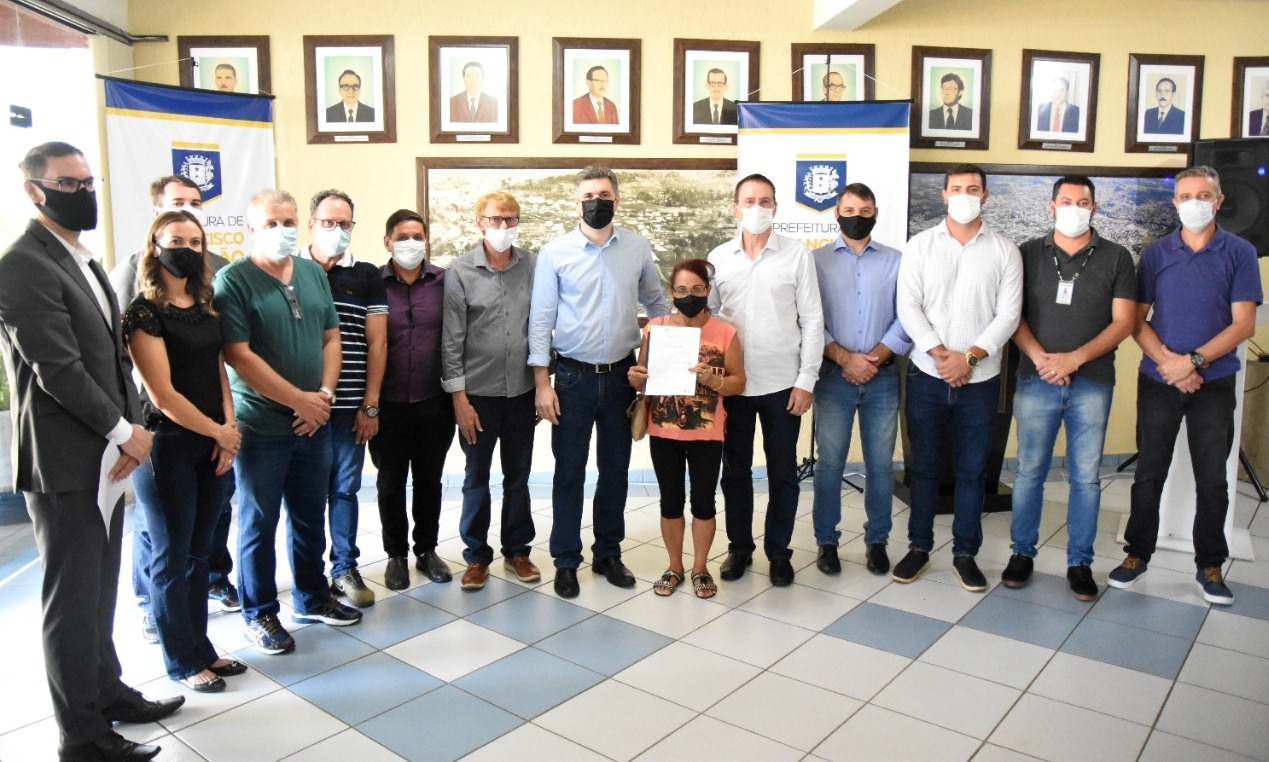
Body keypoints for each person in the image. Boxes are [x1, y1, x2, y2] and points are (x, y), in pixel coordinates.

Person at [0, 141, 179, 762]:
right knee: (71, 601)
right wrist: (123, 431)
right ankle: (80, 735)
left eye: (88, 182)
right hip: (66, 460)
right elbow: (58, 368)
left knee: (100, 590)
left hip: (108, 451)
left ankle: (108, 692)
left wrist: (134, 422)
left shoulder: (83, 259)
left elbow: (111, 356)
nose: (84, 193)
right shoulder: (23, 263)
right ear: (34, 190)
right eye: (69, 185)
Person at [214, 189, 361, 656]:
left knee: (309, 515)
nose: (283, 230)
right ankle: (258, 613)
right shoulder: (233, 281)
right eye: (271, 223)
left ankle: (312, 597)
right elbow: (238, 354)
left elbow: (331, 336)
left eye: (289, 221)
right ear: (252, 230)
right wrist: (298, 399)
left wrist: (323, 396)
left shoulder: (314, 273)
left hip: (313, 421)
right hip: (263, 426)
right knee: (258, 522)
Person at [1109, 166, 1262, 605]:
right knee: (1149, 473)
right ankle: (1137, 555)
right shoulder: (1155, 253)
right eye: (1185, 196)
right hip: (1158, 379)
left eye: (1203, 195)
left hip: (1213, 382)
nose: (1194, 202)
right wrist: (1171, 365)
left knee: (1212, 478)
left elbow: (1244, 324)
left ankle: (1210, 564)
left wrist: (1194, 362)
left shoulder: (1240, 252)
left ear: (1219, 200)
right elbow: (1136, 320)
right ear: (1175, 203)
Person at [110, 174, 239, 647]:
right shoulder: (144, 311)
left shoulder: (205, 306)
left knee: (200, 555)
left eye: (195, 241)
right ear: (155, 245)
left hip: (213, 440)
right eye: (175, 241)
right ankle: (181, 659)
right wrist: (217, 433)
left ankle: (203, 649)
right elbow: (161, 394)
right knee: (171, 556)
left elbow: (219, 370)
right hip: (169, 445)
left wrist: (229, 427)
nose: (185, 248)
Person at [529, 166, 669, 598]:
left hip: (621, 378)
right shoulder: (555, 253)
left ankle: (608, 552)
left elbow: (657, 303)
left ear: (617, 200)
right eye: (589, 195)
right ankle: (566, 560)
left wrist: (670, 351)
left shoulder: (636, 247)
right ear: (576, 203)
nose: (597, 201)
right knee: (569, 472)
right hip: (570, 378)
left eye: (604, 194)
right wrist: (542, 384)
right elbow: (541, 320)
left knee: (616, 472)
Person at [1004, 176, 1137, 601]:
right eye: (1066, 201)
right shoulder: (1027, 253)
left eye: (1083, 202)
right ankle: (1021, 553)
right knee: (1028, 474)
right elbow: (1012, 314)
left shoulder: (1118, 257)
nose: (1074, 208)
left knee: (1086, 478)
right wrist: (1044, 359)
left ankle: (1080, 562)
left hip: (1092, 384)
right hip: (1035, 377)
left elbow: (1123, 323)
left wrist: (1073, 359)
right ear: (1051, 206)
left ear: (1094, 208)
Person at [894, 163, 1022, 592]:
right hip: (928, 374)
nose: (965, 195)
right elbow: (908, 306)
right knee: (925, 469)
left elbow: (1009, 315)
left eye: (973, 188)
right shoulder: (920, 245)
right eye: (956, 188)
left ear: (985, 196)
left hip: (980, 380)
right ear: (944, 195)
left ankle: (965, 553)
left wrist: (968, 358)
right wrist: (940, 353)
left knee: (972, 473)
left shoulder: (1005, 250)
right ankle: (918, 547)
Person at [708, 174, 824, 587]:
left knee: (782, 473)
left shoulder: (797, 256)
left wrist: (806, 379)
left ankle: (779, 551)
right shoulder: (718, 258)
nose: (757, 208)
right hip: (734, 387)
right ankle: (740, 549)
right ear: (735, 207)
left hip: (782, 384)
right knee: (735, 472)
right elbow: (709, 321)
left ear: (775, 207)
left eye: (766, 201)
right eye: (749, 200)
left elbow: (812, 320)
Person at [628, 259, 745, 599]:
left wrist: (713, 378)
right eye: (681, 290)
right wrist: (635, 376)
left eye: (697, 289)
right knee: (670, 501)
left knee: (704, 503)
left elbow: (738, 382)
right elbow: (643, 374)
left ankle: (701, 568)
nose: (689, 296)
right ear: (671, 292)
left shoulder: (725, 332)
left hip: (707, 434)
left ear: (708, 291)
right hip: (663, 430)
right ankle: (675, 566)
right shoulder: (656, 328)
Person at [442, 192, 540, 590]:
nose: (503, 227)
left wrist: (541, 384)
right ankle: (476, 557)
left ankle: (518, 551)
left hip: (521, 391)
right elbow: (451, 341)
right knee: (476, 477)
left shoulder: (534, 265)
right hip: (477, 395)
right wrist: (459, 400)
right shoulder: (460, 271)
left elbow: (543, 323)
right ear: (480, 222)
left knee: (518, 475)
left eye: (510, 219)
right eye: (495, 219)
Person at [811, 183, 910, 577]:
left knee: (881, 465)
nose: (856, 216)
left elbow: (908, 316)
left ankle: (877, 541)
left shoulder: (897, 261)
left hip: (882, 377)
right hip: (833, 376)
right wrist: (844, 357)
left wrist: (875, 357)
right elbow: (808, 319)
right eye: (848, 209)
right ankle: (827, 542)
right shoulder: (815, 262)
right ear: (836, 214)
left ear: (875, 213)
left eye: (864, 210)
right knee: (830, 464)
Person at [300, 190, 386, 608]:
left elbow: (377, 342)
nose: (337, 230)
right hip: (300, 411)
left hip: (350, 407)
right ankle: (308, 576)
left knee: (345, 490)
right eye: (328, 222)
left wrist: (370, 404)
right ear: (311, 223)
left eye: (345, 223)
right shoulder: (288, 270)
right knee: (305, 496)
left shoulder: (366, 274)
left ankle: (344, 569)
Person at [371, 210, 457, 590]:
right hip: (386, 403)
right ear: (388, 242)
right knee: (390, 482)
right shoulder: (372, 283)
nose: (411, 243)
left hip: (433, 401)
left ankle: (426, 550)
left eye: (417, 235)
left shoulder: (444, 281)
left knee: (429, 481)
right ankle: (395, 555)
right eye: (403, 236)